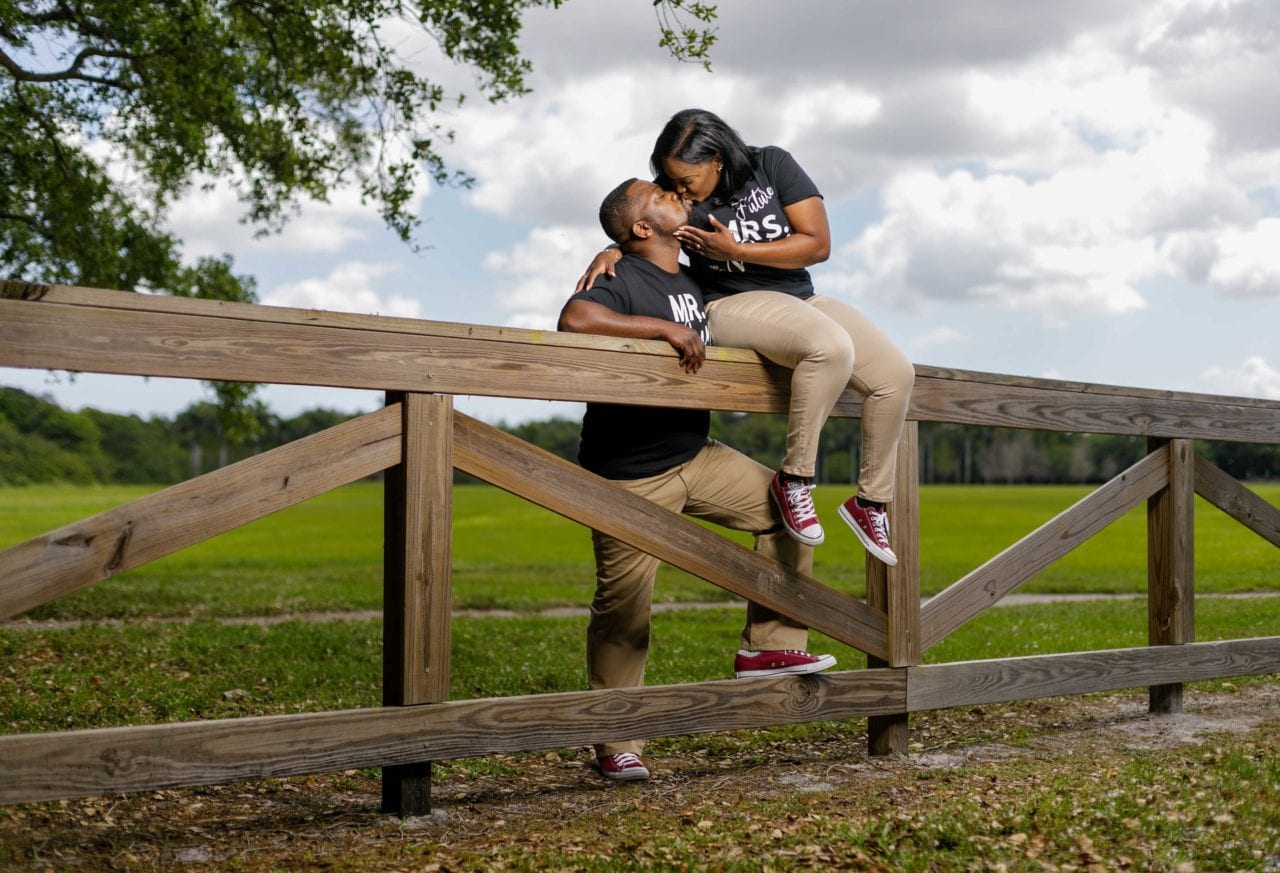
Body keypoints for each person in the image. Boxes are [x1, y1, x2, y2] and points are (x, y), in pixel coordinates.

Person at [560, 177, 836, 782]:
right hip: (628, 473)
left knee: (786, 508)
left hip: (697, 454)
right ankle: (616, 740)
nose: (670, 191)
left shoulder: (695, 276)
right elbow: (576, 319)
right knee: (624, 611)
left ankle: (768, 642)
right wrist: (660, 328)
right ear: (638, 229)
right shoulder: (624, 276)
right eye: (655, 194)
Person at [576, 109, 914, 566]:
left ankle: (870, 502)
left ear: (716, 159)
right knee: (830, 348)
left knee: (895, 375)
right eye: (669, 181)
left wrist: (737, 250)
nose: (678, 189)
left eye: (686, 179)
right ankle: (794, 479)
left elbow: (817, 245)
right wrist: (611, 247)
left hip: (799, 300)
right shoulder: (687, 201)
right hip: (729, 304)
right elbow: (647, 229)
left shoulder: (772, 166)